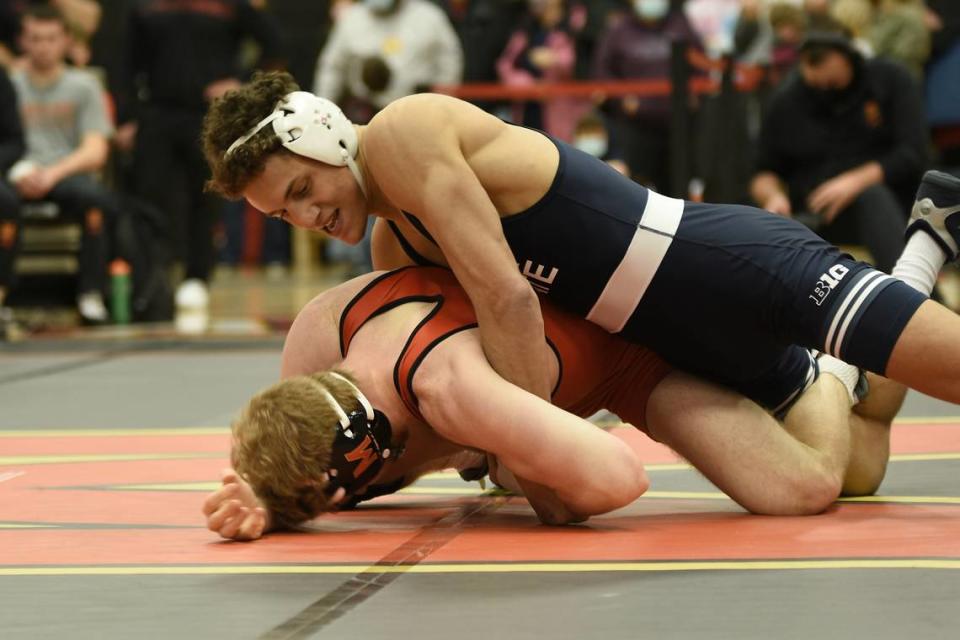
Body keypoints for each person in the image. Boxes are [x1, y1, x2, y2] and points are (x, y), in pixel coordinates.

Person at [201, 71, 960, 440]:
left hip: (728, 264)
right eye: (283, 213)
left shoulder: (404, 135)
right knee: (857, 457)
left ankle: (910, 259)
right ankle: (926, 242)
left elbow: (508, 301)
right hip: (676, 337)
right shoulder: (393, 238)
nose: (308, 215)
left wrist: (531, 448)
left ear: (329, 134)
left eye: (303, 187)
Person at [203, 265, 896, 541]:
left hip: (636, 354)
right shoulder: (316, 343)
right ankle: (907, 291)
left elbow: (619, 478)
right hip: (569, 359)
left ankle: (833, 364)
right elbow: (323, 457)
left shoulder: (451, 390)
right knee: (865, 465)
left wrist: (516, 457)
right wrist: (271, 500)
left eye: (330, 500)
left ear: (363, 456)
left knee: (806, 486)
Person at [751, 24, 927, 274]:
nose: (824, 90)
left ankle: (918, 299)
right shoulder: (787, 100)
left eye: (832, 83)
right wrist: (772, 197)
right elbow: (764, 170)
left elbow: (913, 153)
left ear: (849, 59)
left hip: (894, 208)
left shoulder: (889, 79)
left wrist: (855, 182)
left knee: (872, 196)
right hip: (817, 214)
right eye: (815, 83)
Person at [10, 5, 116, 323]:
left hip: (64, 172)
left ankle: (90, 293)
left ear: (66, 41)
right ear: (23, 42)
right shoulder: (9, 86)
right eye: (36, 39)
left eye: (51, 39)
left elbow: (96, 149)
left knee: (98, 201)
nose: (43, 47)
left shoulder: (84, 86)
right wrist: (20, 172)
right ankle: (5, 293)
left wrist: (53, 174)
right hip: (15, 173)